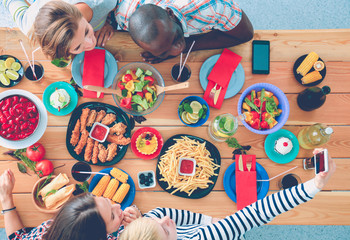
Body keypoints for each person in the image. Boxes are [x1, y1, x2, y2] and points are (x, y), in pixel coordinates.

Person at [119, 148, 336, 240]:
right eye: (166, 231)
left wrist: (217, 222)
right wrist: (315, 185)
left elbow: (181, 218)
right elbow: (255, 214)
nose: (166, 220)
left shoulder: (154, 217)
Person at [0, 169, 142, 240]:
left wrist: (6, 199)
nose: (117, 206)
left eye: (105, 200)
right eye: (112, 216)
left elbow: (17, 237)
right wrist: (140, 227)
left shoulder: (45, 231)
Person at [114, 0, 254, 63]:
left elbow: (246, 34)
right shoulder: (123, 14)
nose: (176, 51)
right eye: (162, 51)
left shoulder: (212, 6)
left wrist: (187, 46)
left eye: (174, 38)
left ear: (170, 13)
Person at [2, 0, 117, 60]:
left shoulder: (106, 2)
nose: (92, 43)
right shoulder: (29, 24)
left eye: (86, 31)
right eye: (77, 47)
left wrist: (110, 21)